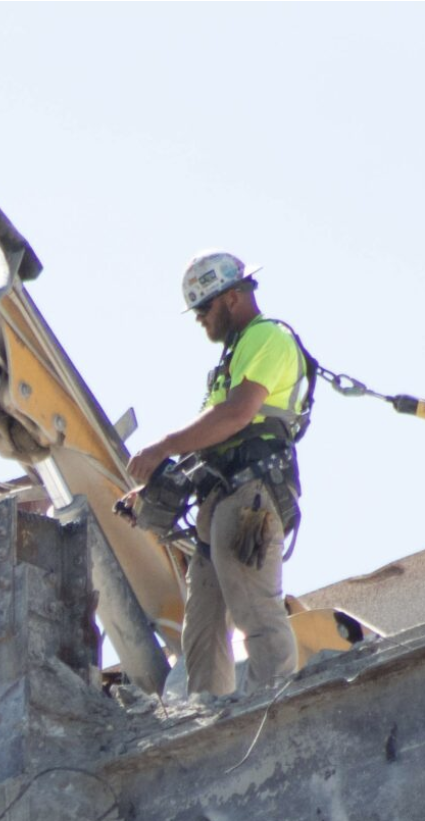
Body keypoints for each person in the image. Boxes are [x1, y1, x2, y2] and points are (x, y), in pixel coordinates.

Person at [122, 251, 312, 698]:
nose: (200, 320)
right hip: (221, 498)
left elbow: (237, 414)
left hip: (250, 493)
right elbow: (211, 437)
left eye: (204, 308)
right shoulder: (231, 357)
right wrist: (152, 486)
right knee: (203, 625)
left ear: (231, 298)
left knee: (254, 606)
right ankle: (203, 714)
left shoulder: (268, 337)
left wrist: (163, 446)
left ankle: (273, 705)